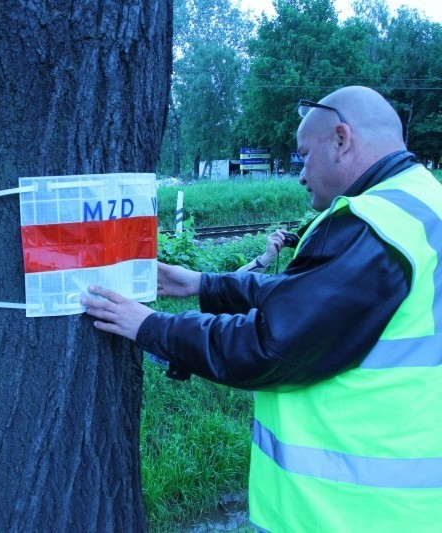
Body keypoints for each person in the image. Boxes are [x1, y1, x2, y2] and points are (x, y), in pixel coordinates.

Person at [82, 86, 442, 531]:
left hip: (351, 510)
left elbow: (270, 345)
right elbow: (311, 295)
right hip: (405, 491)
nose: (300, 172)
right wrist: (204, 283)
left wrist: (152, 327)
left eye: (304, 155)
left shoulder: (376, 225)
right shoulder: (421, 205)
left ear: (342, 139)